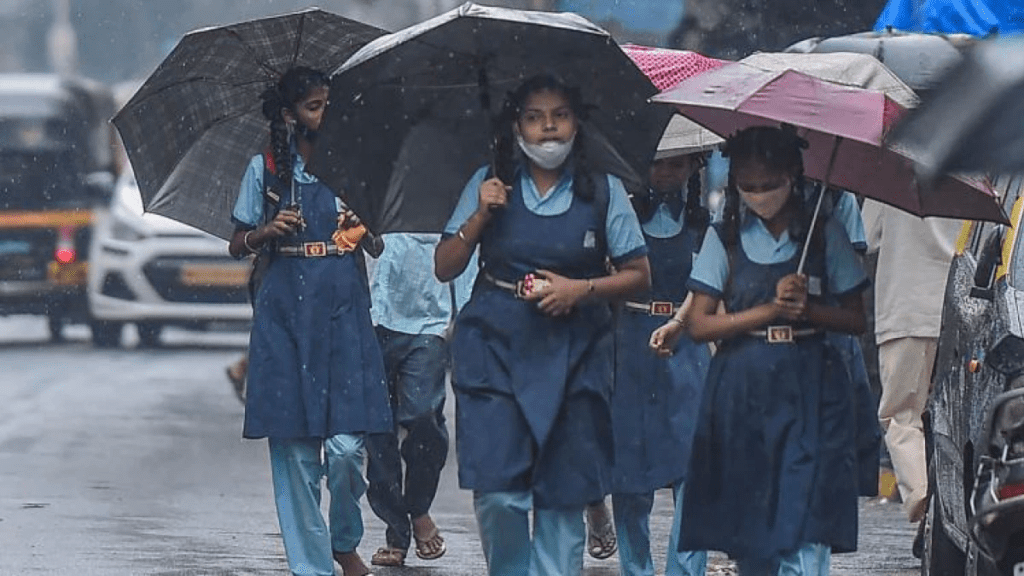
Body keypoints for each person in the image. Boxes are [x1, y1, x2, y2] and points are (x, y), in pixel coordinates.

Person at [434, 73, 651, 576]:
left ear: (578, 123)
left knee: (562, 496)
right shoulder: (488, 183)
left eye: (559, 116)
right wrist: (480, 218)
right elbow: (445, 266)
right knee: (499, 496)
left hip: (577, 352)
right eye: (534, 117)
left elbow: (640, 275)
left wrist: (581, 289)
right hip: (494, 346)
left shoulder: (603, 191)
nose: (548, 129)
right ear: (516, 127)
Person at [659, 126, 869, 575]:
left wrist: (809, 310)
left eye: (769, 185)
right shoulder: (725, 240)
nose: (759, 195)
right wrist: (769, 311)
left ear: (794, 175)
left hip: (812, 387)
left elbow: (856, 319)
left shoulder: (823, 234)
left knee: (804, 513)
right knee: (752, 529)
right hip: (743, 390)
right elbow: (699, 323)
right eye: (747, 187)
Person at [227, 66, 391, 576]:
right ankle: (310, 566)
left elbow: (381, 241)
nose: (324, 115)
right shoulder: (266, 167)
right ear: (288, 114)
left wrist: (361, 228)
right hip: (284, 312)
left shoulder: (354, 164)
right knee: (295, 454)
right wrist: (266, 230)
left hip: (343, 307)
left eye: (328, 104)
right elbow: (236, 244)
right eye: (313, 106)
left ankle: (344, 538)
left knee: (346, 448)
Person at [612, 139, 712, 576]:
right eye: (656, 164)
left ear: (694, 165)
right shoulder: (621, 218)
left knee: (693, 464)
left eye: (675, 164)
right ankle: (636, 568)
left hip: (688, 347)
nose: (665, 173)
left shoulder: (705, 224)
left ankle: (685, 570)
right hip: (629, 344)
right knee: (629, 470)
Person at [364, 231, 476, 567]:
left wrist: (467, 311)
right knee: (377, 429)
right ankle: (396, 530)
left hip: (429, 319)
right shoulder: (370, 187)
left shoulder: (445, 188)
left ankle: (418, 506)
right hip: (372, 315)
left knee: (423, 415)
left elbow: (466, 243)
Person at [861, 198, 960, 546]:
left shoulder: (889, 169)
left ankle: (926, 506)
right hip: (959, 308)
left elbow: (866, 236)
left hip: (905, 311)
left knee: (902, 417)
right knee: (956, 420)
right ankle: (951, 508)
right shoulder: (973, 165)